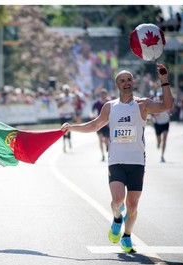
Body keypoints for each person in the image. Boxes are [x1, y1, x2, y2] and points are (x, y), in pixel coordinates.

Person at [61, 64, 173, 252]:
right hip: (116, 161)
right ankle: (116, 217)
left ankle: (127, 236)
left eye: (129, 80)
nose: (126, 83)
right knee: (118, 200)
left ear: (133, 82)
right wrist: (72, 127)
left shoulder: (142, 104)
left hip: (137, 162)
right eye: (122, 81)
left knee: (133, 204)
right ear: (117, 85)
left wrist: (164, 81)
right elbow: (94, 125)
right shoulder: (110, 107)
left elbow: (167, 106)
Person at [151, 91, 172, 163]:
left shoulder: (167, 102)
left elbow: (171, 110)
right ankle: (158, 143)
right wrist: (155, 114)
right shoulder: (154, 103)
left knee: (165, 140)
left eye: (162, 96)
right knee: (159, 140)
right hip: (157, 123)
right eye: (159, 96)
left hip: (165, 123)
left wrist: (170, 113)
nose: (161, 97)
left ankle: (162, 156)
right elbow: (151, 113)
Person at [92, 88, 111, 161]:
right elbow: (92, 110)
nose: (103, 95)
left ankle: (108, 149)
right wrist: (92, 115)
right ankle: (102, 155)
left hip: (107, 124)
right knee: (100, 139)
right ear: (100, 95)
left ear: (106, 94)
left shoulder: (109, 102)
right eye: (102, 94)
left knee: (106, 139)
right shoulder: (97, 103)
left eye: (104, 94)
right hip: (99, 124)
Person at [57, 84, 76, 152]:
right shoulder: (61, 97)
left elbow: (74, 104)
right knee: (63, 130)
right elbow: (58, 105)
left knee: (69, 129)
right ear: (63, 91)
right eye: (65, 90)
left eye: (67, 90)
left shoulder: (72, 97)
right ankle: (64, 144)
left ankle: (69, 141)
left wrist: (74, 114)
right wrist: (63, 102)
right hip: (62, 115)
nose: (67, 91)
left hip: (69, 115)